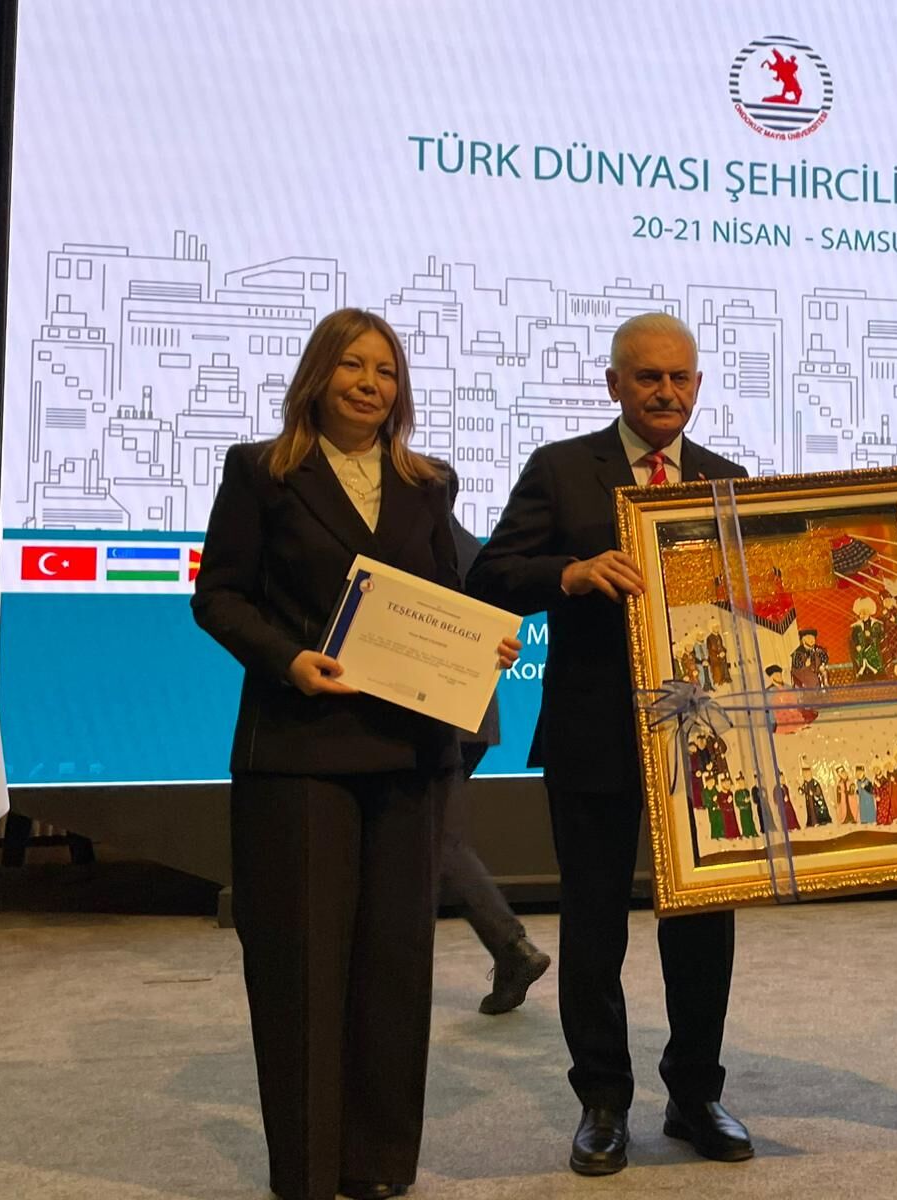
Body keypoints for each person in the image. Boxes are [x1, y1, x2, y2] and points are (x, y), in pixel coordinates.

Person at [192, 308, 519, 1200]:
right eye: (353, 366)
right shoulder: (262, 472)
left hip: (409, 757)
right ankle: (307, 1171)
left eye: (386, 370)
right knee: (301, 967)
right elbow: (219, 596)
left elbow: (446, 598)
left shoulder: (427, 482)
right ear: (318, 376)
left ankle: (379, 1167)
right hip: (300, 752)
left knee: (394, 968)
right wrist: (289, 660)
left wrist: (482, 646)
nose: (371, 384)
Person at [467, 312, 755, 1176]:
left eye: (680, 377)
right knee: (594, 924)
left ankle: (695, 1095)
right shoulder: (561, 469)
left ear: (697, 385)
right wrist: (571, 572)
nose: (666, 392)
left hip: (704, 741)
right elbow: (490, 574)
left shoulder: (728, 480)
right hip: (593, 732)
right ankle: (602, 1101)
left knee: (703, 924)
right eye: (648, 377)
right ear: (614, 384)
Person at [440, 492, 552, 1015]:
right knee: (431, 842)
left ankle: (512, 948)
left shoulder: (425, 544)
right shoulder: (471, 547)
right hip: (472, 719)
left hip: (437, 718)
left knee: (438, 842)